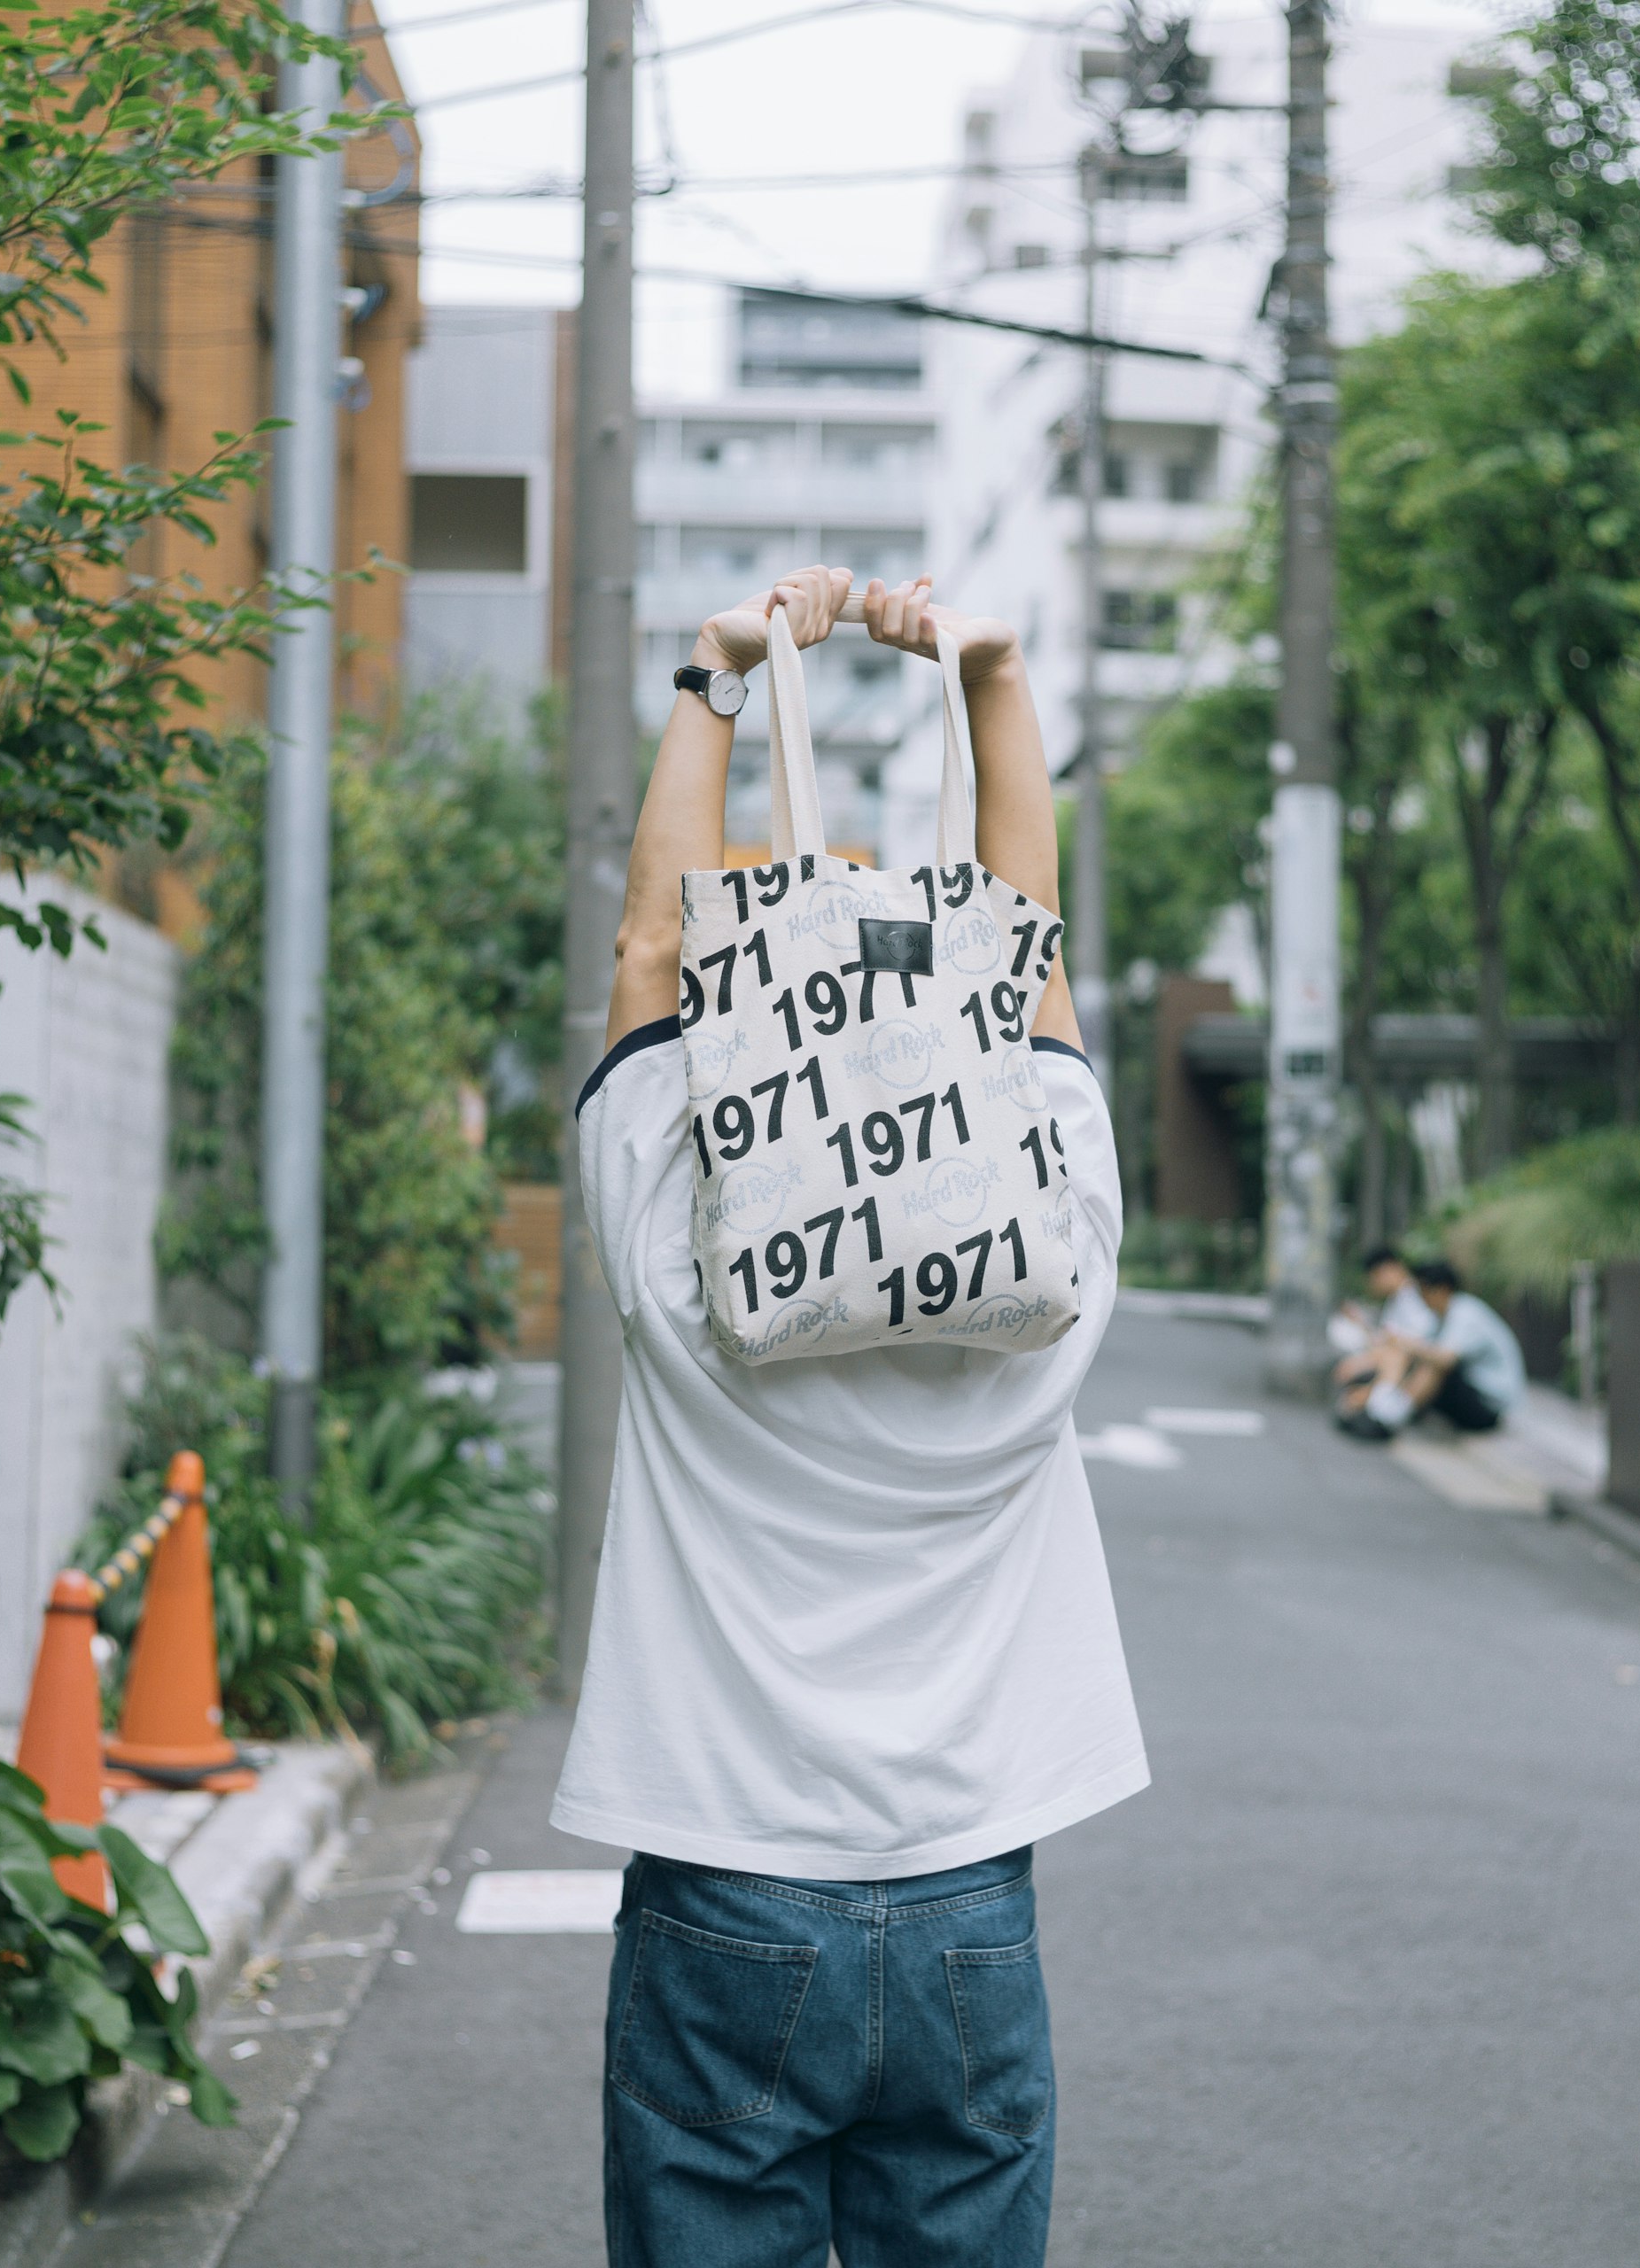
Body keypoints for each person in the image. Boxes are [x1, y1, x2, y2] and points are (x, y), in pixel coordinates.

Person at [559, 565, 1144, 2268]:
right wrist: (993, 678)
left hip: (727, 1889)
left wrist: (725, 676)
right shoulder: (1055, 1278)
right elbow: (1032, 956)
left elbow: (653, 944)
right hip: (968, 1900)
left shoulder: (683, 1268)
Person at [1337, 1259, 1525, 1441]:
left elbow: (1445, 1359)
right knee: (1416, 1356)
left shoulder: (1465, 1313)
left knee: (1435, 1365)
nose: (1421, 1299)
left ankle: (1388, 1418)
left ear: (1441, 1289)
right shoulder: (1442, 1316)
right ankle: (1380, 1410)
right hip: (1473, 1393)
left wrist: (1406, 1344)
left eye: (1423, 1292)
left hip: (1491, 1406)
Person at [1328, 1246, 1432, 1396]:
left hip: (1410, 1368)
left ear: (1385, 1270)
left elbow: (1412, 1344)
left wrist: (1365, 1363)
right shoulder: (1395, 1300)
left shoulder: (1417, 1296)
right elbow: (1385, 1340)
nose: (1372, 1285)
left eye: (1372, 1278)